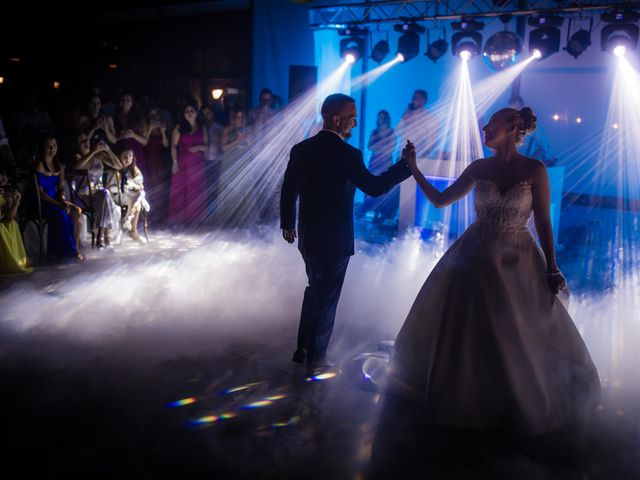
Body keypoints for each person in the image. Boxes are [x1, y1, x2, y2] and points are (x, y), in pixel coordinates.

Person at [389, 107, 600, 435]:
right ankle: (467, 394)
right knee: (473, 327)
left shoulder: (534, 169)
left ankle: (517, 397)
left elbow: (543, 221)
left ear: (512, 126)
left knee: (517, 327)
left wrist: (552, 268)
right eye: (485, 125)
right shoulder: (478, 167)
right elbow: (441, 200)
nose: (484, 128)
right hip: (475, 256)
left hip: (519, 257)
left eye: (492, 124)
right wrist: (414, 170)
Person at [280, 93, 412, 370]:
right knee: (327, 298)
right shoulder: (349, 155)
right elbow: (374, 187)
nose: (354, 123)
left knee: (314, 289)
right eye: (352, 118)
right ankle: (316, 357)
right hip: (335, 239)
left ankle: (303, 348)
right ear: (336, 119)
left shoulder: (301, 149)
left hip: (307, 235)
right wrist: (405, 167)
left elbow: (288, 188)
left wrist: (288, 222)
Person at [168, 101, 208, 226]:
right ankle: (178, 219)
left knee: (195, 191)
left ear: (196, 113)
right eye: (187, 111)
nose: (189, 113)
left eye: (192, 110)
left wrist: (198, 147)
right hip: (182, 163)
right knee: (180, 190)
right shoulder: (179, 127)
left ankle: (195, 219)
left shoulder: (202, 128)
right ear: (183, 114)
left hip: (197, 164)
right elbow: (173, 146)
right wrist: (174, 163)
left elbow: (207, 146)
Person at [362, 110, 398, 222]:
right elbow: (370, 147)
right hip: (374, 163)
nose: (381, 119)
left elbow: (391, 149)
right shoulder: (374, 131)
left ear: (387, 118)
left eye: (383, 117)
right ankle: (372, 210)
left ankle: (382, 213)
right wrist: (383, 149)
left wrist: (378, 149)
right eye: (379, 117)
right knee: (372, 183)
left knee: (385, 185)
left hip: (386, 163)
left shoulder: (391, 132)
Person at [0, 169, 32, 274]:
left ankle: (15, 260)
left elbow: (9, 217)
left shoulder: (4, 194)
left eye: (3, 176)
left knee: (12, 224)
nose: (1, 180)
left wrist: (15, 203)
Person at [396, 89, 439, 160]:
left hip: (420, 157)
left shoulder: (431, 118)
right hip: (402, 156)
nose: (413, 100)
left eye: (416, 98)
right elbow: (397, 132)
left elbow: (433, 140)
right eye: (413, 98)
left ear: (423, 101)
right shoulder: (407, 115)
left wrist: (425, 154)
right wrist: (404, 117)